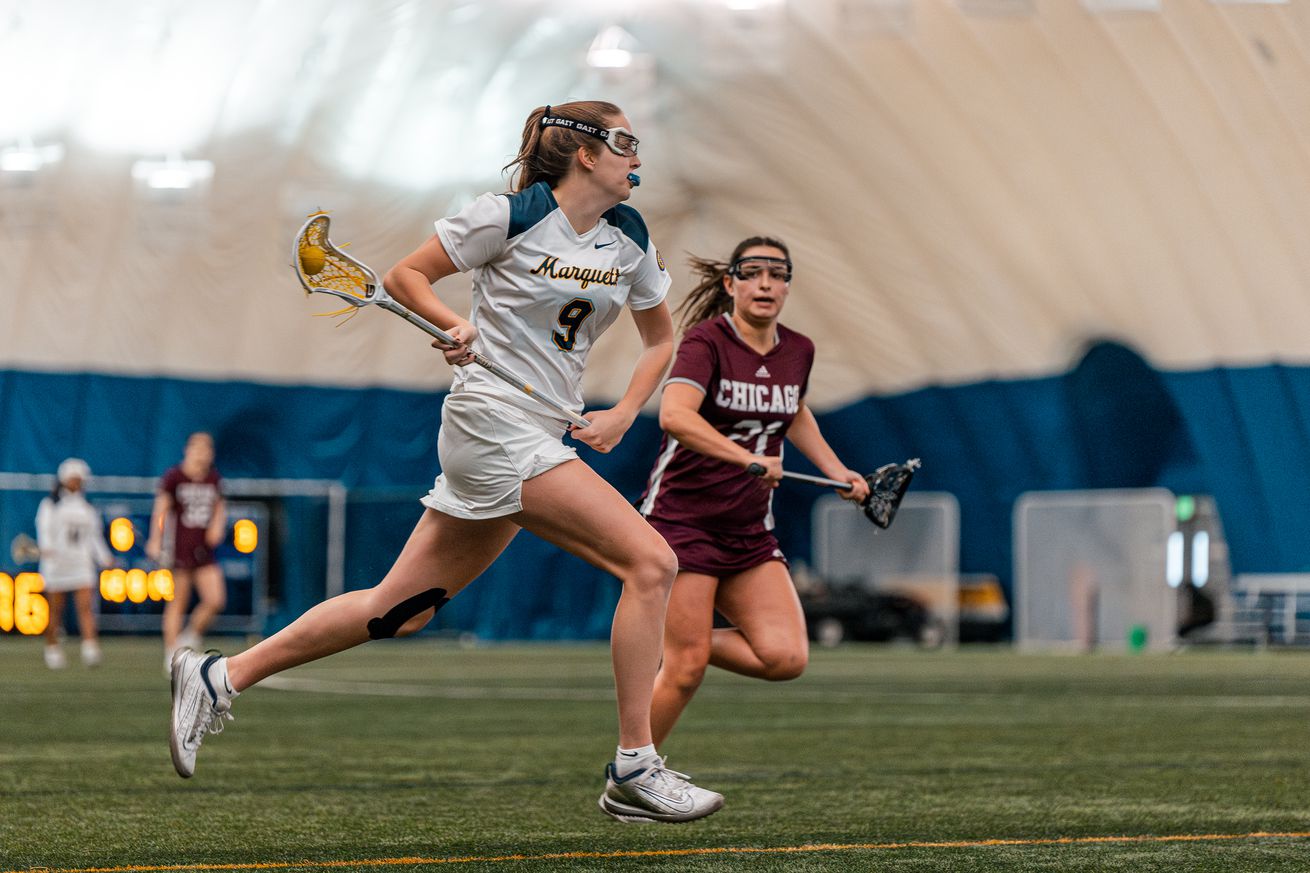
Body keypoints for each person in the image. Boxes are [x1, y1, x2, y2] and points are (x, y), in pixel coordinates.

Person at [167, 101, 723, 823]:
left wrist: (624, 411)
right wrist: (453, 323)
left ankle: (218, 673)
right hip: (490, 422)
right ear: (584, 153)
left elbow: (658, 340)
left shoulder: (628, 237)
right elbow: (405, 277)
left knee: (395, 610)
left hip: (538, 431)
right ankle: (634, 766)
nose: (635, 154)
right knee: (652, 564)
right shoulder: (509, 214)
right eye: (622, 141)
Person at [637, 238, 870, 750]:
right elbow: (675, 416)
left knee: (785, 658)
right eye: (753, 272)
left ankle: (671, 639)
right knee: (686, 670)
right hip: (684, 523)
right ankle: (630, 772)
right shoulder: (706, 343)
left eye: (778, 274)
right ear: (731, 284)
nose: (766, 283)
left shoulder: (798, 350)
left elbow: (794, 411)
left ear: (787, 286)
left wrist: (837, 472)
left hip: (748, 531)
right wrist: (744, 457)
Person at [147, 431, 227, 671]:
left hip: (203, 549)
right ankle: (172, 652)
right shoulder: (175, 477)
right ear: (188, 450)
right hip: (179, 547)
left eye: (207, 449)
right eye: (198, 449)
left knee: (215, 600)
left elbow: (219, 507)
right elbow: (161, 509)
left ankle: (190, 637)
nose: (203, 454)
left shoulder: (213, 479)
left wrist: (217, 527)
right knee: (178, 601)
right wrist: (155, 539)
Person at [35, 458, 113, 669]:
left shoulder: (87, 508)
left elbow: (94, 537)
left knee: (86, 607)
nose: (76, 483)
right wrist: (47, 548)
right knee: (55, 610)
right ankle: (52, 648)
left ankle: (90, 648)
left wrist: (104, 557)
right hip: (57, 564)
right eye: (73, 479)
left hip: (81, 563)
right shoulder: (50, 505)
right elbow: (44, 531)